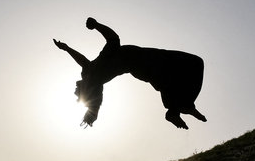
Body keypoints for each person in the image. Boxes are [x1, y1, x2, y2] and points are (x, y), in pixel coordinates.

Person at [53, 17, 206, 129]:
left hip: (142, 68)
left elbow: (82, 61)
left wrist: (66, 48)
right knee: (194, 64)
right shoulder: (93, 75)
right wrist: (96, 25)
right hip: (142, 59)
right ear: (84, 88)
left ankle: (177, 109)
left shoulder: (90, 75)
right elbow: (113, 39)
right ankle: (181, 107)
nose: (74, 88)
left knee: (168, 80)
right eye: (76, 91)